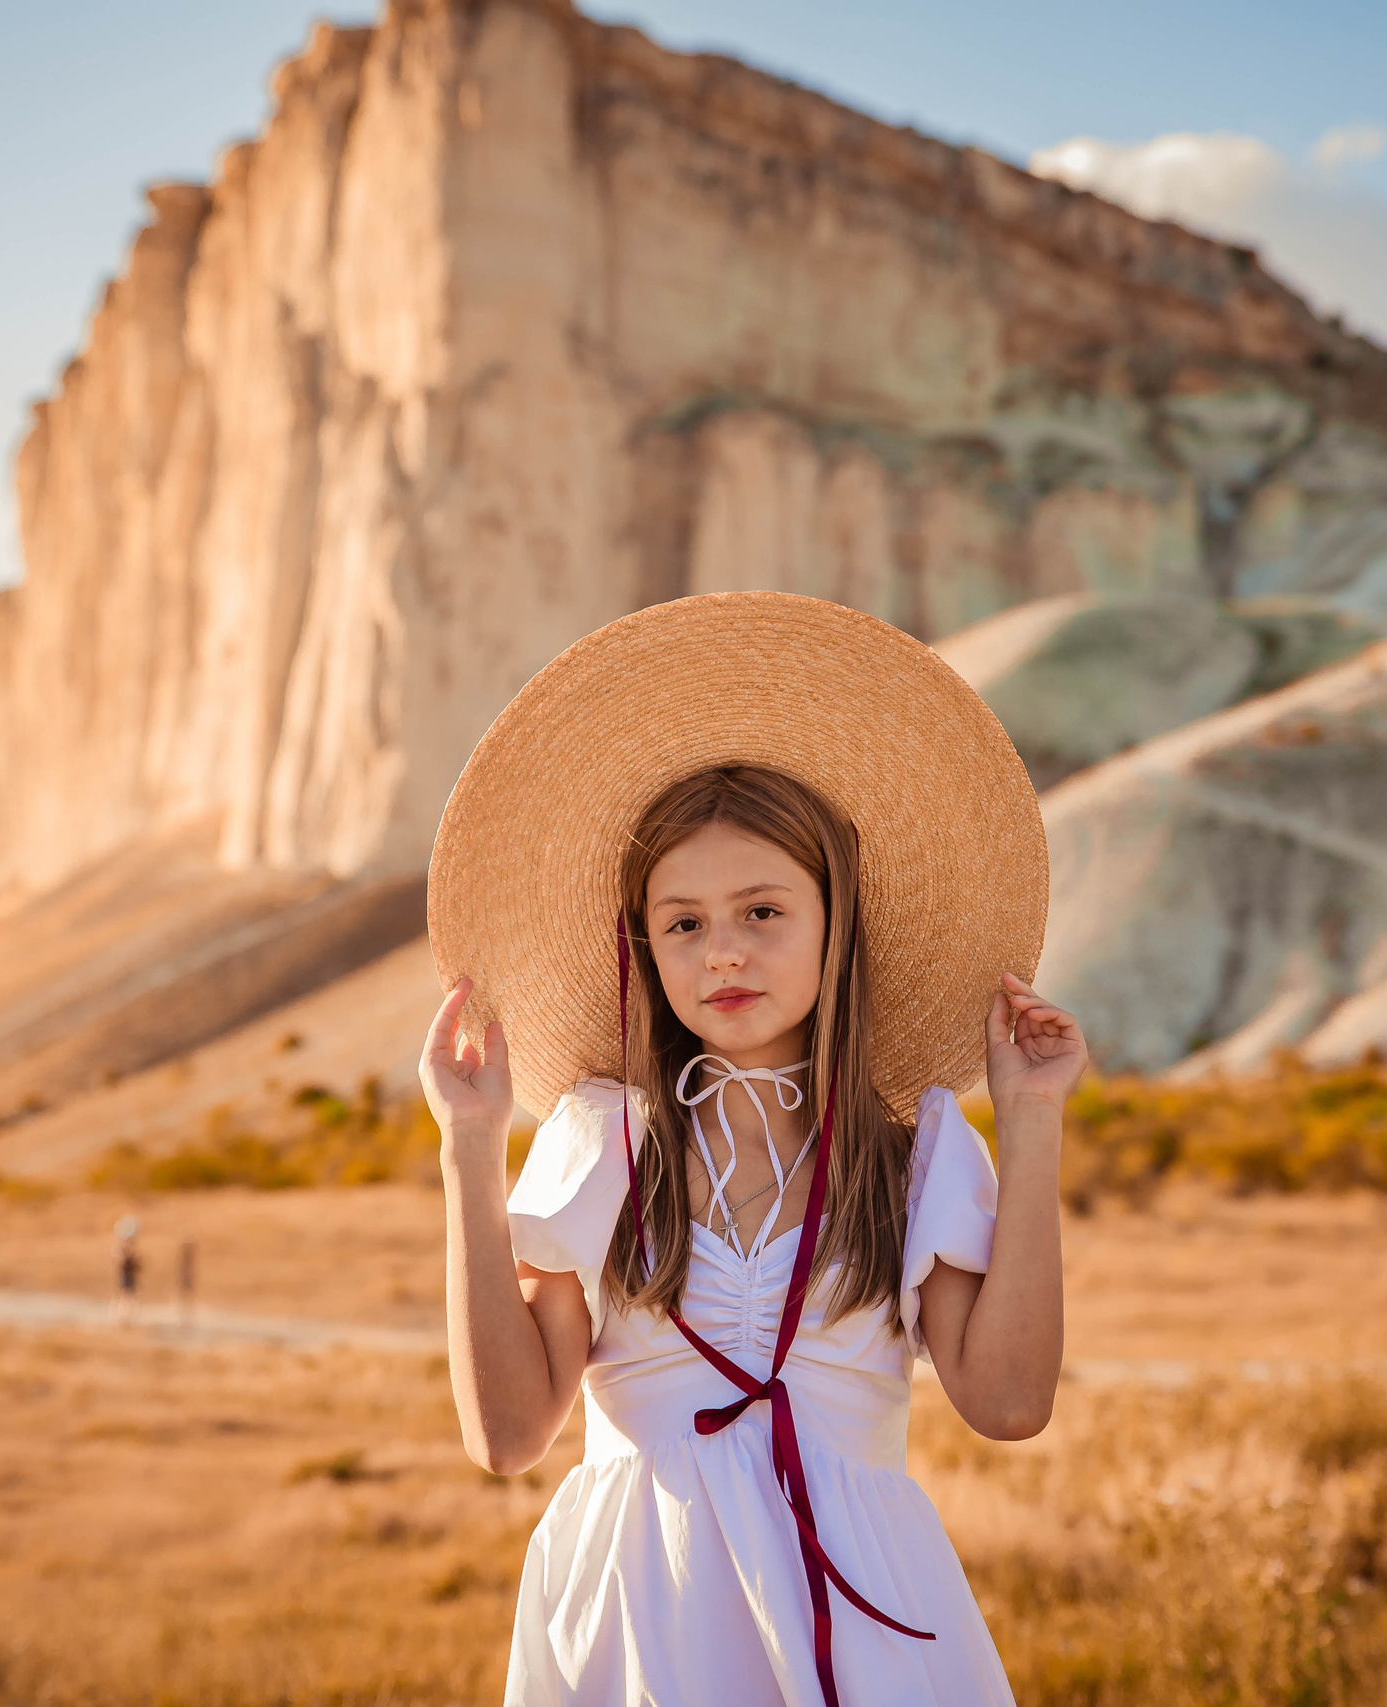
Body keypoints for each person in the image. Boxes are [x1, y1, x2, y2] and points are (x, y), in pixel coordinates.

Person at [423, 591, 1085, 1707]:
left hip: (862, 1612)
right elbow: (506, 1434)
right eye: (682, 922)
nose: (721, 951)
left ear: (837, 924)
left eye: (762, 912)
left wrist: (1028, 1121)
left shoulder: (910, 1155)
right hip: (643, 1614)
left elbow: (1011, 1404)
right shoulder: (602, 1143)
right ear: (648, 951)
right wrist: (469, 1148)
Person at [113, 1214, 141, 1326]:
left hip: (129, 1275)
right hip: (126, 1275)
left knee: (127, 1296)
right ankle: (123, 1319)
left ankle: (126, 1318)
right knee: (126, 1296)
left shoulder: (125, 1249)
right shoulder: (121, 1250)